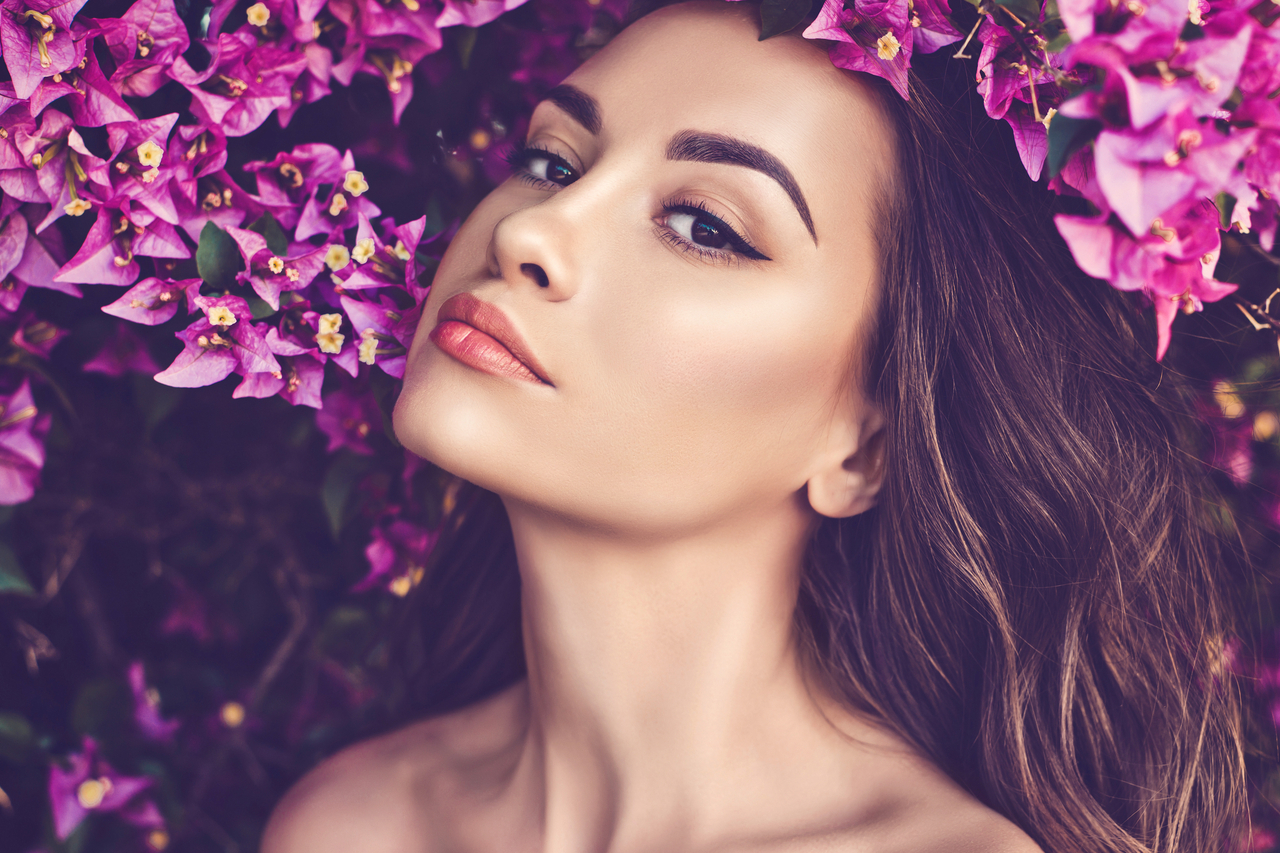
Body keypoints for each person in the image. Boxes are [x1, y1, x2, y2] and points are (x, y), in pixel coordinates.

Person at [259, 1, 1248, 850]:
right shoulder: (351, 826)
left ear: (865, 443)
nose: (527, 232)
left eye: (705, 226)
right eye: (551, 161)